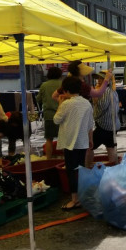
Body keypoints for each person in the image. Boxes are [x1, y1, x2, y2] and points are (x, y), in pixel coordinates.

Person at [53, 76, 94, 211]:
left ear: (66, 90)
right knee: (80, 170)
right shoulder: (87, 103)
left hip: (70, 142)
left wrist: (59, 103)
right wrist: (90, 139)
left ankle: (74, 200)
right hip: (82, 142)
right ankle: (80, 198)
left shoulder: (66, 104)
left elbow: (56, 120)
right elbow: (89, 125)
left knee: (71, 171)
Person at [92, 71, 120, 165]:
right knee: (110, 147)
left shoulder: (105, 91)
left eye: (101, 78)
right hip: (112, 125)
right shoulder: (113, 91)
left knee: (89, 146)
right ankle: (114, 167)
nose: (98, 81)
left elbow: (102, 106)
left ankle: (88, 167)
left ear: (107, 80)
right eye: (98, 78)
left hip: (104, 125)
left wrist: (95, 98)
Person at [36, 67, 63, 159]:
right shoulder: (63, 84)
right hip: (63, 115)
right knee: (64, 139)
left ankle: (48, 159)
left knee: (49, 139)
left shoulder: (44, 85)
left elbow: (38, 99)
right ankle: (65, 159)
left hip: (49, 115)